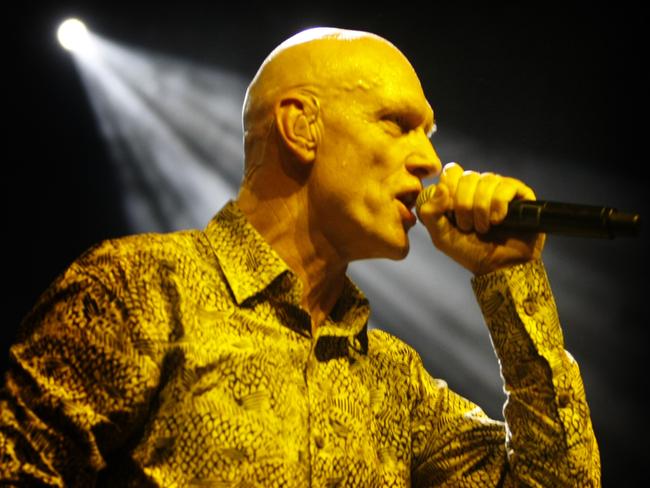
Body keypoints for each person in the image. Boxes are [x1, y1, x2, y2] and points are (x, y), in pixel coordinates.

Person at [0, 27, 599, 486]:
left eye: (430, 136)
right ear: (300, 125)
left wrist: (507, 276)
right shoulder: (141, 290)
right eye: (398, 125)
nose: (427, 163)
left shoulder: (396, 381)